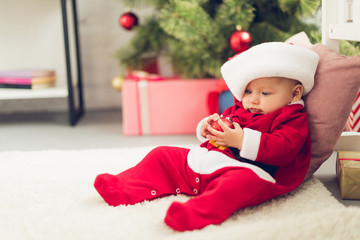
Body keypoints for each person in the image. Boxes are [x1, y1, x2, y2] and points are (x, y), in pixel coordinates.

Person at [94, 42, 319, 231]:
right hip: (209, 162)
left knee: (236, 186)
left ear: (295, 93)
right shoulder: (242, 108)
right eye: (249, 91)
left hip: (252, 172)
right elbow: (224, 122)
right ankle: (123, 187)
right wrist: (208, 128)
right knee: (162, 155)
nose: (253, 100)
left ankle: (196, 213)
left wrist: (240, 141)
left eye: (265, 93)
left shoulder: (292, 117)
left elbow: (285, 148)